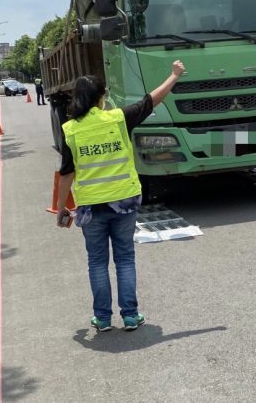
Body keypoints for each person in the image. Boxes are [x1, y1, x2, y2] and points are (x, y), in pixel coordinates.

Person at [55, 60, 185, 332]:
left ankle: (102, 319)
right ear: (101, 97)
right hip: (124, 201)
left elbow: (66, 173)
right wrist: (174, 75)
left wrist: (61, 208)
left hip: (90, 207)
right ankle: (130, 316)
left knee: (97, 262)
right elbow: (151, 100)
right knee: (125, 259)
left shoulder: (71, 130)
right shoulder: (118, 119)